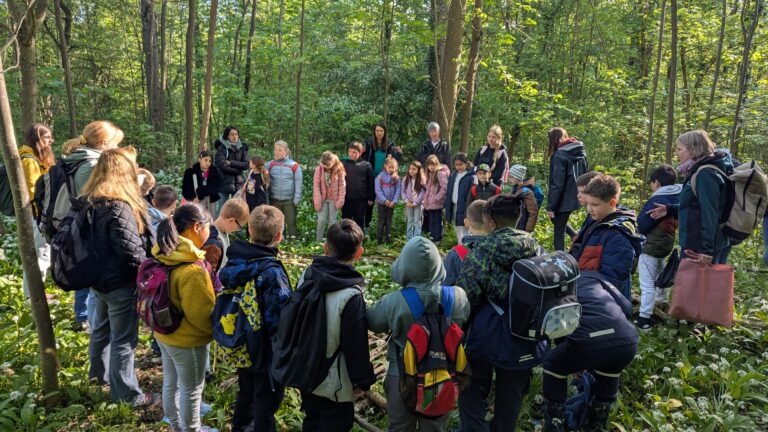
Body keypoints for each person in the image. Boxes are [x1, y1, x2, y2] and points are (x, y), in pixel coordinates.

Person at [456, 194, 545, 431]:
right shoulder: (536, 248)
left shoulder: (483, 251)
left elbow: (466, 298)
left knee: (471, 389)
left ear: (491, 223)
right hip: (526, 335)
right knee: (511, 395)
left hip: (488, 336)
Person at [368, 236, 470, 432]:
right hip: (442, 376)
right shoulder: (458, 296)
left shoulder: (394, 301)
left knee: (399, 427)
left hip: (402, 376)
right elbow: (465, 318)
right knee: (435, 428)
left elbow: (373, 321)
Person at [79, 148, 156, 406]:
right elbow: (131, 251)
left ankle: (97, 378)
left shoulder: (90, 199)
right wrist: (149, 269)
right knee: (123, 339)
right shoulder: (118, 206)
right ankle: (127, 395)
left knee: (100, 330)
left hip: (98, 281)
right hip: (119, 283)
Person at [298, 219, 376, 431]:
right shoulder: (351, 296)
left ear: (325, 248)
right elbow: (355, 345)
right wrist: (363, 381)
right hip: (335, 381)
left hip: (306, 370)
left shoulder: (307, 275)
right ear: (359, 254)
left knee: (311, 422)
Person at [219, 205, 292, 432]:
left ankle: (240, 427)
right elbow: (277, 317)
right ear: (278, 237)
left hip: (240, 339)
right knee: (266, 399)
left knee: (246, 390)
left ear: (249, 230)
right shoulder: (271, 271)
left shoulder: (235, 262)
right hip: (264, 348)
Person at [541, 272, 638, 432]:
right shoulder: (596, 276)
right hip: (626, 341)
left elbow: (556, 328)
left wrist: (574, 360)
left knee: (552, 365)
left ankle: (555, 423)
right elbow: (627, 308)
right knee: (609, 371)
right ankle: (597, 425)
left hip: (587, 342)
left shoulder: (554, 286)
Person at [152, 204, 218, 432]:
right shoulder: (192, 269)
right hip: (188, 340)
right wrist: (214, 332)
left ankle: (174, 424)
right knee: (191, 389)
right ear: (197, 227)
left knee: (171, 381)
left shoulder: (164, 252)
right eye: (208, 227)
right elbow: (201, 314)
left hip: (164, 333)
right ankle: (191, 429)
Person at [61, 121, 125, 332]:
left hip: (81, 223)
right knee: (90, 271)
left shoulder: (79, 157)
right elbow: (102, 198)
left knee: (87, 270)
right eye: (115, 143)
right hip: (89, 225)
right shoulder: (91, 164)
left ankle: (86, 318)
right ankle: (86, 319)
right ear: (105, 143)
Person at [648, 130, 734, 265]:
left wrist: (706, 250)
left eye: (679, 149)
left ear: (693, 149)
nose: (676, 152)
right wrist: (669, 210)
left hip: (699, 248)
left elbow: (710, 213)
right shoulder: (698, 171)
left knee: (697, 286)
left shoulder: (705, 174)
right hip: (696, 244)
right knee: (693, 285)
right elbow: (695, 207)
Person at [569, 174, 644, 290]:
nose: (589, 209)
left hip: (598, 294)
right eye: (588, 203)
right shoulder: (597, 220)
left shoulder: (618, 235)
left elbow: (612, 280)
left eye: (595, 204)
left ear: (612, 203)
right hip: (585, 285)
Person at [635, 165, 681, 330]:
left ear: (657, 182)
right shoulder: (678, 196)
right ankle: (662, 302)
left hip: (650, 246)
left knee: (647, 284)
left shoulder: (659, 199)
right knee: (661, 273)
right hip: (665, 244)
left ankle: (644, 319)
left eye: (651, 182)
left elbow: (643, 224)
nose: (651, 186)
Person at [19, 123, 54, 302]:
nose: (51, 141)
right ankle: (32, 297)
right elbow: (34, 191)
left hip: (40, 213)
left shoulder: (36, 158)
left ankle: (35, 293)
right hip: (37, 214)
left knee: (43, 254)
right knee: (41, 255)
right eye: (47, 138)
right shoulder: (29, 161)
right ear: (38, 139)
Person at [546, 127, 589, 251]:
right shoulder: (580, 152)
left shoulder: (559, 155)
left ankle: (559, 259)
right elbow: (586, 173)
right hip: (576, 195)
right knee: (558, 222)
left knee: (558, 231)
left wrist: (551, 206)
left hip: (563, 198)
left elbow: (557, 184)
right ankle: (574, 235)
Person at [363, 121, 403, 230]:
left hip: (384, 179)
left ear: (384, 132)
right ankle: (367, 227)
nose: (379, 133)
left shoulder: (389, 145)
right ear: (374, 132)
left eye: (381, 131)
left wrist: (399, 154)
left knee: (385, 204)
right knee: (369, 203)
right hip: (371, 177)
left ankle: (385, 230)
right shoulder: (368, 143)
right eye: (377, 131)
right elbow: (363, 158)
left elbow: (393, 162)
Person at [444, 200, 488, 285]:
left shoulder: (456, 254)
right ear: (492, 222)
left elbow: (447, 287)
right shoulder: (501, 249)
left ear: (466, 222)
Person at [201, 198, 249, 272]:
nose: (237, 230)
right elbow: (208, 275)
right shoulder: (213, 245)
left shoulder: (223, 232)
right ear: (231, 221)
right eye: (239, 227)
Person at [267, 140, 303, 238]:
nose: (277, 152)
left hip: (289, 200)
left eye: (280, 150)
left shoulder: (294, 165)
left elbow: (298, 183)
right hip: (274, 200)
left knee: (291, 222)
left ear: (286, 151)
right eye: (275, 150)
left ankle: (293, 242)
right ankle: (278, 241)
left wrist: (297, 198)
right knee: (277, 223)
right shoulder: (270, 165)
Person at [214, 125, 249, 215]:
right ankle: (217, 229)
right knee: (220, 211)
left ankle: (236, 229)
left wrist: (231, 163)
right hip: (223, 184)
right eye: (232, 134)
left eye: (236, 134)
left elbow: (246, 164)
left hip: (238, 184)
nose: (234, 136)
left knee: (237, 211)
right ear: (227, 136)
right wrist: (238, 170)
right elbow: (222, 166)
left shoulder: (242, 148)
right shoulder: (221, 148)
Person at [313, 151, 346, 241]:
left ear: (332, 162)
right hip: (323, 199)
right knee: (321, 220)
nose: (326, 167)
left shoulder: (339, 169)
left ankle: (331, 242)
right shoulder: (318, 169)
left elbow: (342, 186)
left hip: (334, 199)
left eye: (328, 165)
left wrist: (340, 200)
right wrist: (317, 200)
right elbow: (316, 186)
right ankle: (318, 241)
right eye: (324, 165)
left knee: (332, 221)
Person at [342, 141, 374, 232]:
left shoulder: (366, 165)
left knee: (359, 220)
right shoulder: (344, 163)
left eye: (354, 152)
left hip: (361, 199)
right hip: (347, 198)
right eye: (350, 151)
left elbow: (371, 182)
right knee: (346, 221)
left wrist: (371, 197)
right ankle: (345, 240)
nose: (351, 154)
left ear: (360, 153)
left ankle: (359, 241)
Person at [445, 153, 476, 244]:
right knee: (457, 227)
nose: (458, 167)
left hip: (465, 206)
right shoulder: (453, 175)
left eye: (461, 164)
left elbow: (472, 194)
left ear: (466, 163)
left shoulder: (471, 177)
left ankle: (467, 248)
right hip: (454, 205)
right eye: (456, 165)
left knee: (466, 228)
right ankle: (460, 247)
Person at [374, 156, 401, 244]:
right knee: (381, 221)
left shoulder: (396, 178)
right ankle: (379, 239)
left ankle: (388, 238)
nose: (391, 169)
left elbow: (398, 190)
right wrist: (385, 200)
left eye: (393, 167)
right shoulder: (380, 177)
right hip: (381, 203)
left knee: (388, 221)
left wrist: (394, 201)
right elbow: (378, 190)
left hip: (391, 203)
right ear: (385, 166)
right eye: (390, 167)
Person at [422, 155, 449, 243]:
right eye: (429, 165)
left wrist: (436, 198)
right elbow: (428, 188)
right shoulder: (429, 174)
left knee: (437, 222)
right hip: (430, 203)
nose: (431, 167)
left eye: (433, 165)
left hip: (437, 203)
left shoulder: (440, 173)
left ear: (437, 164)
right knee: (431, 221)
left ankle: (437, 239)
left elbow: (444, 188)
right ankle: (432, 238)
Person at [507, 164, 539, 233]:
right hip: (513, 225)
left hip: (522, 228)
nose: (509, 178)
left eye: (511, 177)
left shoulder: (526, 191)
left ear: (517, 178)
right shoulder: (514, 189)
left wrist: (528, 231)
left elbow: (533, 212)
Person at [401, 161, 426, 241]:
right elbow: (403, 191)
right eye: (410, 169)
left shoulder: (421, 179)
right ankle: (409, 239)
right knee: (410, 221)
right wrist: (406, 201)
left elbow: (422, 193)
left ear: (418, 170)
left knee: (417, 221)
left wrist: (416, 202)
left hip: (417, 204)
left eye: (414, 169)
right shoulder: (406, 179)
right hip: (408, 204)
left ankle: (416, 239)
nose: (411, 171)